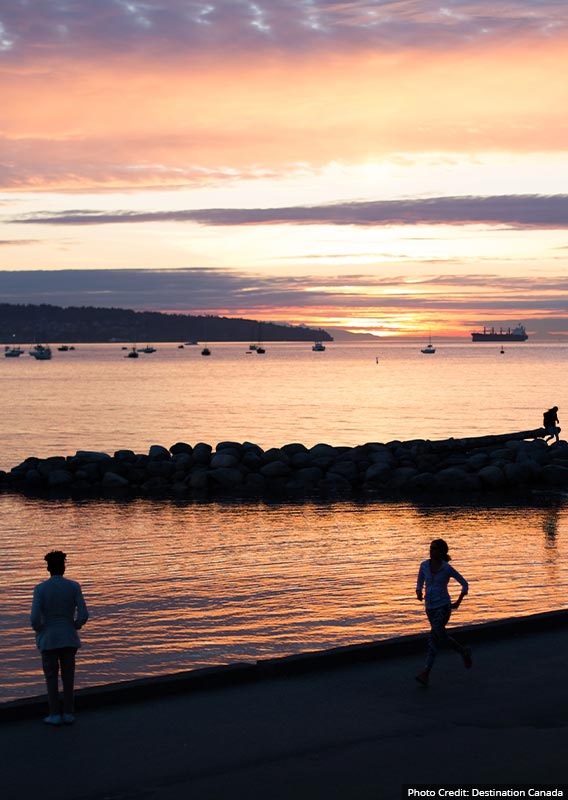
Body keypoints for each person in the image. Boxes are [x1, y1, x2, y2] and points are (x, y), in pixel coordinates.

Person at [30, 550, 89, 725]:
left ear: (48, 568)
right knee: (68, 676)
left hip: (49, 638)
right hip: (68, 637)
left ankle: (54, 713)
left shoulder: (40, 589)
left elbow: (34, 618)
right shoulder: (74, 586)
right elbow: (84, 614)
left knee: (51, 677)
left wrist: (40, 629)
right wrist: (76, 624)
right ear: (64, 566)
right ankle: (69, 712)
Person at [415, 538, 471, 687]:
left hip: (444, 607)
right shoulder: (424, 565)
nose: (431, 551)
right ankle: (463, 651)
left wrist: (458, 602)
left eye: (434, 548)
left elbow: (464, 583)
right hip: (430, 608)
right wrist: (418, 591)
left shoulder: (446, 568)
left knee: (433, 638)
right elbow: (420, 581)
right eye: (430, 548)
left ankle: (426, 673)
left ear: (441, 552)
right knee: (441, 635)